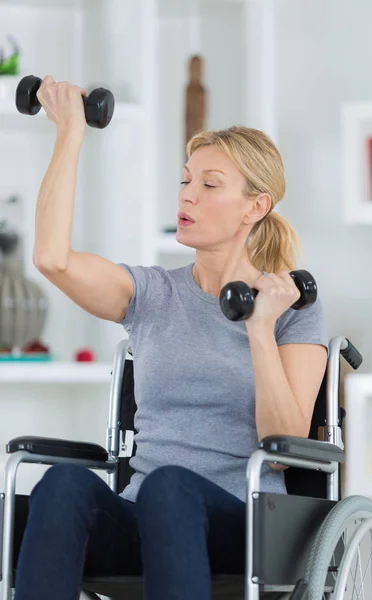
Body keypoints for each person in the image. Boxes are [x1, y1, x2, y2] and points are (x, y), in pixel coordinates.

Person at [14, 76, 328, 600]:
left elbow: (281, 451)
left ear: (256, 207)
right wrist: (70, 131)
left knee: (170, 487)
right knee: (62, 484)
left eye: (209, 185)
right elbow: (52, 259)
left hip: (245, 525)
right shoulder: (151, 293)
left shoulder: (290, 306)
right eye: (185, 181)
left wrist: (259, 328)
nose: (187, 195)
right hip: (145, 516)